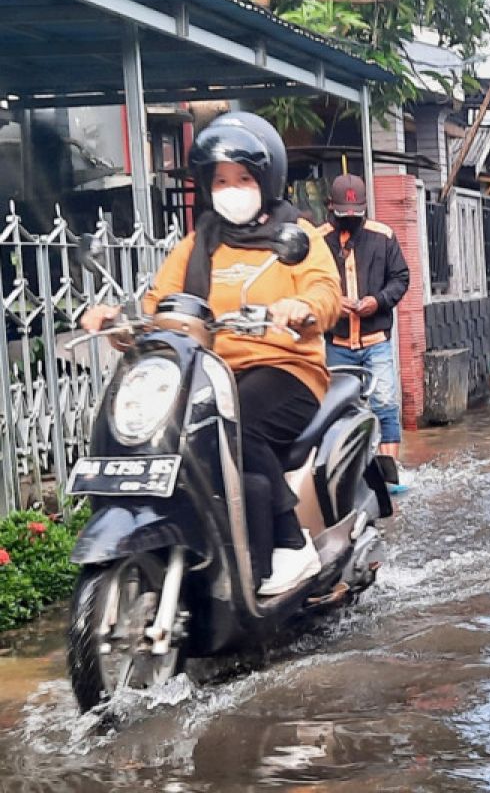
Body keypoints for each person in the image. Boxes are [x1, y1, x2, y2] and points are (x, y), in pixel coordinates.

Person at [82, 112, 342, 596]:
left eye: (243, 178)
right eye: (221, 180)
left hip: (287, 369)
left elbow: (325, 294)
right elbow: (160, 302)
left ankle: (291, 542)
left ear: (267, 180)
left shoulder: (295, 239)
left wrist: (300, 307)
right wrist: (119, 319)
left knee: (232, 424)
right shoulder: (197, 243)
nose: (231, 189)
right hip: (208, 372)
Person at [317, 174, 411, 490]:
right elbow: (308, 287)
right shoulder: (317, 242)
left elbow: (400, 277)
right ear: (331, 207)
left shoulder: (383, 236)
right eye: (343, 214)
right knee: (337, 410)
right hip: (338, 342)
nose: (350, 220)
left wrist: (378, 301)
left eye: (356, 214)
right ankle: (345, 476)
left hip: (376, 340)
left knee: (384, 402)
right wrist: (332, 302)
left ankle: (390, 472)